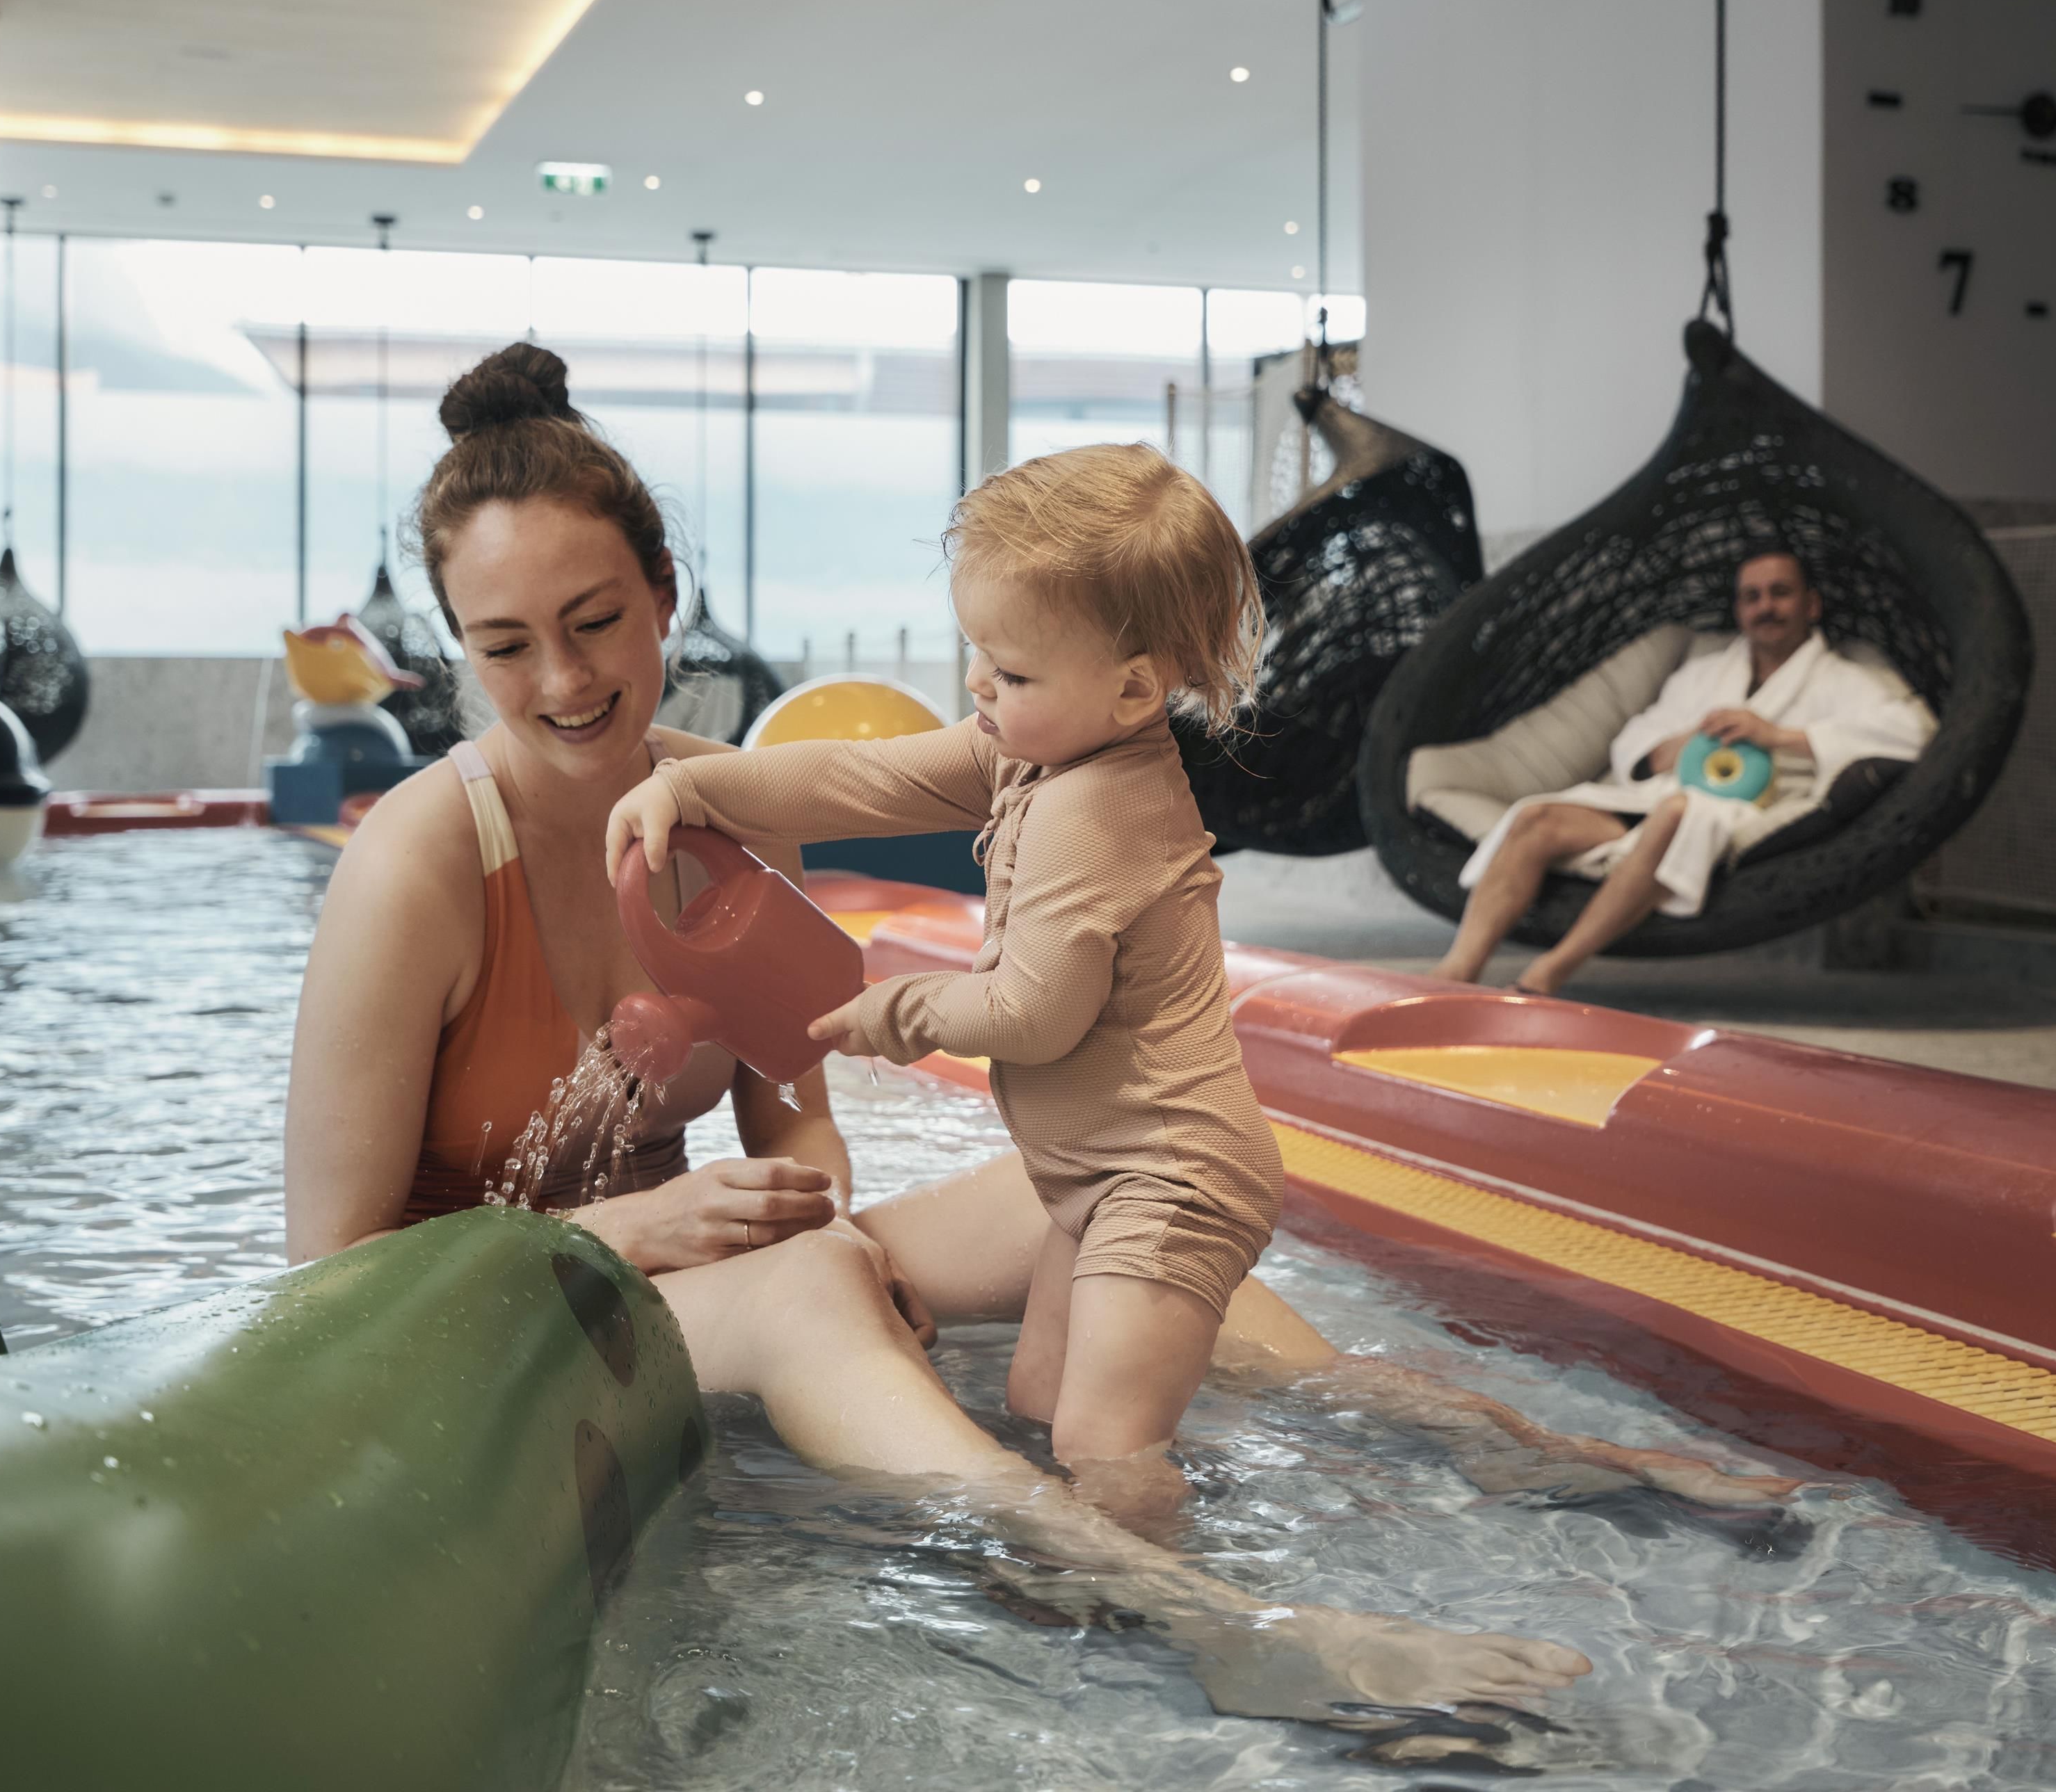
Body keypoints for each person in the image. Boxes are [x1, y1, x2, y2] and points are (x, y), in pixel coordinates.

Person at [284, 345, 1777, 1731]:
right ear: (458, 648)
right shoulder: (419, 866)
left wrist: (818, 1211)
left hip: (691, 1269)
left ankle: (1501, 1445)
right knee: (811, 1286)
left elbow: (794, 1123)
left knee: (1082, 1184)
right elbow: (327, 1279)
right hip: (498, 1316)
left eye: (596, 622)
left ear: (666, 594)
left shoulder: (725, 810)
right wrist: (641, 1228)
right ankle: (1215, 1622)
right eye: (504, 645)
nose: (561, 681)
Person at [607, 445, 1281, 1521]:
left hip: (1169, 1180)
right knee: (1039, 1398)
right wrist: (688, 787)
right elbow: (861, 776)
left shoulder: (1094, 814)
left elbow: (1034, 1014)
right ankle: (1103, 1567)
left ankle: (1160, 1600)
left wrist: (895, 1011)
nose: (978, 684)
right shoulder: (1039, 752)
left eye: (1011, 673)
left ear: (1133, 688)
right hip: (1097, 1172)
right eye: (978, 653)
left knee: (1105, 1443)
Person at [1431, 549, 1936, 995]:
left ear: (1812, 605)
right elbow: (1635, 740)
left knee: (1677, 814)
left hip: (1748, 810)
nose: (1765, 607)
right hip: (1658, 798)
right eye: (1752, 596)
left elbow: (1913, 732)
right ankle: (1458, 969)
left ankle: (1550, 971)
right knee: (1535, 818)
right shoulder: (1705, 675)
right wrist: (1679, 747)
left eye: (1780, 593)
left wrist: (1778, 736)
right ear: (1739, 610)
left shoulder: (1846, 680)